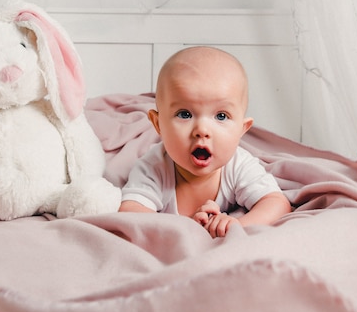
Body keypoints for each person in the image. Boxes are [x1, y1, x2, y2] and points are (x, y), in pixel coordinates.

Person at [119, 46, 292, 238]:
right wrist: (184, 227)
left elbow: (277, 203)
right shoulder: (154, 167)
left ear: (241, 130)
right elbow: (131, 211)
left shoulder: (239, 165)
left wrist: (236, 225)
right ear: (158, 124)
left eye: (221, 116)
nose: (202, 130)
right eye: (185, 114)